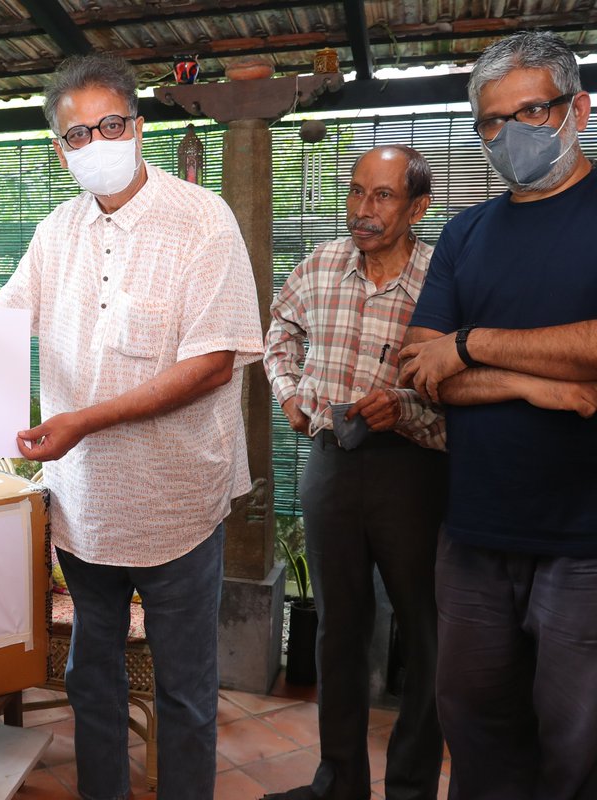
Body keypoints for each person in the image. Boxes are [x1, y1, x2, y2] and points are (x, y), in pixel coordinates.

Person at [0, 53, 262, 800]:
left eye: (110, 124)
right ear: (61, 149)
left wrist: (84, 418)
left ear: (139, 127)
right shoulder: (58, 230)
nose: (97, 142)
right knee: (93, 677)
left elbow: (213, 363)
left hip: (179, 497)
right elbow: (4, 326)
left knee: (184, 689)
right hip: (86, 502)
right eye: (77, 133)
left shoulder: (202, 220)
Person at [398, 30, 597, 799]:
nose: (511, 133)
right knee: (476, 731)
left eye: (533, 111)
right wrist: (534, 384)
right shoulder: (465, 233)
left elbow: (452, 355)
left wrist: (473, 344)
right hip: (475, 533)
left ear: (577, 109)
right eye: (492, 120)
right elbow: (420, 369)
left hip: (584, 543)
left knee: (576, 749)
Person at [261, 145, 447, 800]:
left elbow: (465, 378)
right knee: (338, 630)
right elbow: (278, 328)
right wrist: (289, 394)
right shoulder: (320, 266)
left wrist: (404, 408)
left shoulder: (440, 278)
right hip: (331, 466)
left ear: (418, 206)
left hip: (413, 470)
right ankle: (338, 782)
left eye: (383, 195)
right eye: (356, 192)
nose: (363, 210)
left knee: (428, 634)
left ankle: (411, 788)